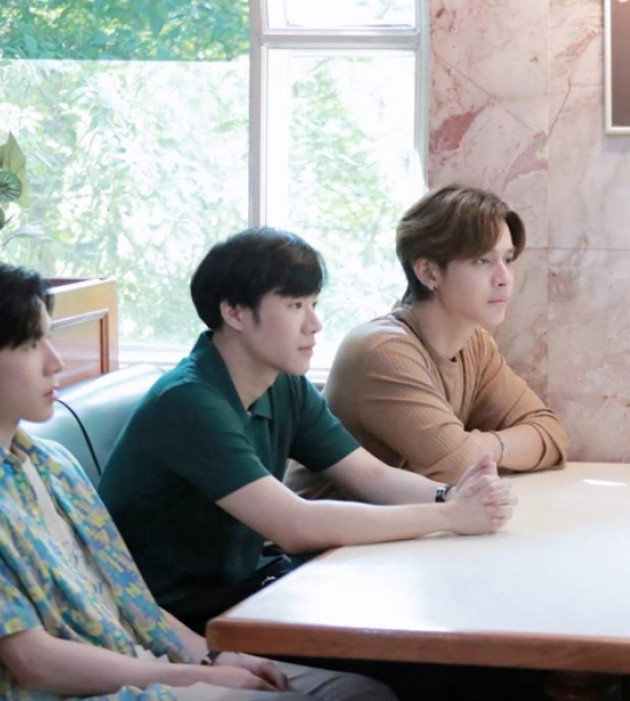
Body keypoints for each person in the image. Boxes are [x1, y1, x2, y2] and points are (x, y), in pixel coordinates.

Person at [0, 263, 399, 701]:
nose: (55, 362)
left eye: (49, 339)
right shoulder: (188, 399)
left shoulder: (52, 463)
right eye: (31, 344)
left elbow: (130, 599)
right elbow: (33, 661)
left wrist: (215, 658)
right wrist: (189, 677)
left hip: (141, 661)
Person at [97, 228, 516, 633]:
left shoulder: (283, 383)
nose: (314, 323)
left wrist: (452, 495)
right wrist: (449, 515)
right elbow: (295, 525)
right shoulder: (189, 401)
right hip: (178, 620)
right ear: (235, 312)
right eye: (296, 305)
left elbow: (370, 476)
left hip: (248, 589)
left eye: (314, 303)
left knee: (442, 605)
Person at [287, 184, 567, 499]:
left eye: (508, 259)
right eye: (482, 261)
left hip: (408, 525)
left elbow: (551, 434)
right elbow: (458, 466)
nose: (504, 278)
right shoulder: (382, 350)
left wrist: (480, 445)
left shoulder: (474, 344)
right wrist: (479, 449)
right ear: (428, 273)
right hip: (329, 530)